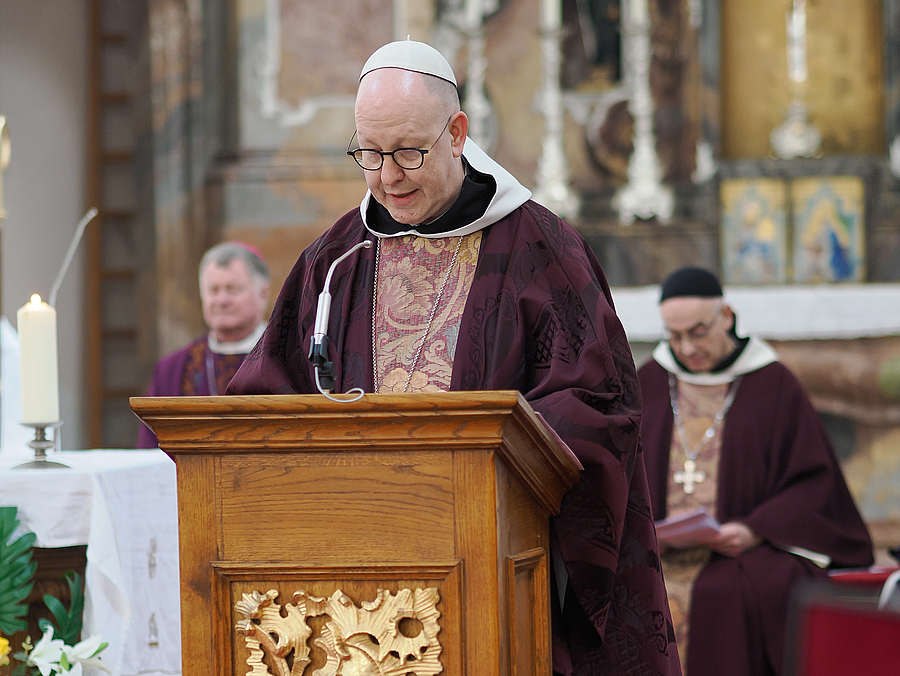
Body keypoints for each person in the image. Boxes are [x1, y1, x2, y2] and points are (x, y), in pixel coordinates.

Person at [228, 39, 681, 675]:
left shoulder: (540, 249)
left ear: (456, 133)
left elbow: (598, 405)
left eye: (408, 152)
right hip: (351, 582)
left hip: (490, 562)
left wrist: (485, 451)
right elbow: (267, 392)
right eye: (369, 154)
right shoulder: (336, 259)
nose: (387, 176)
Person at [638, 266, 874, 676]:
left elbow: (813, 482)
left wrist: (754, 528)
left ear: (725, 316)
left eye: (698, 332)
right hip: (659, 550)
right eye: (674, 336)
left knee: (736, 591)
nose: (687, 348)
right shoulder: (651, 381)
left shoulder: (773, 383)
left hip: (740, 550)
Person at [137, 241, 270, 448]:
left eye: (232, 289)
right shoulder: (172, 369)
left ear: (263, 294)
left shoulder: (285, 358)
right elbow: (151, 455)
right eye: (213, 290)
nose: (221, 300)